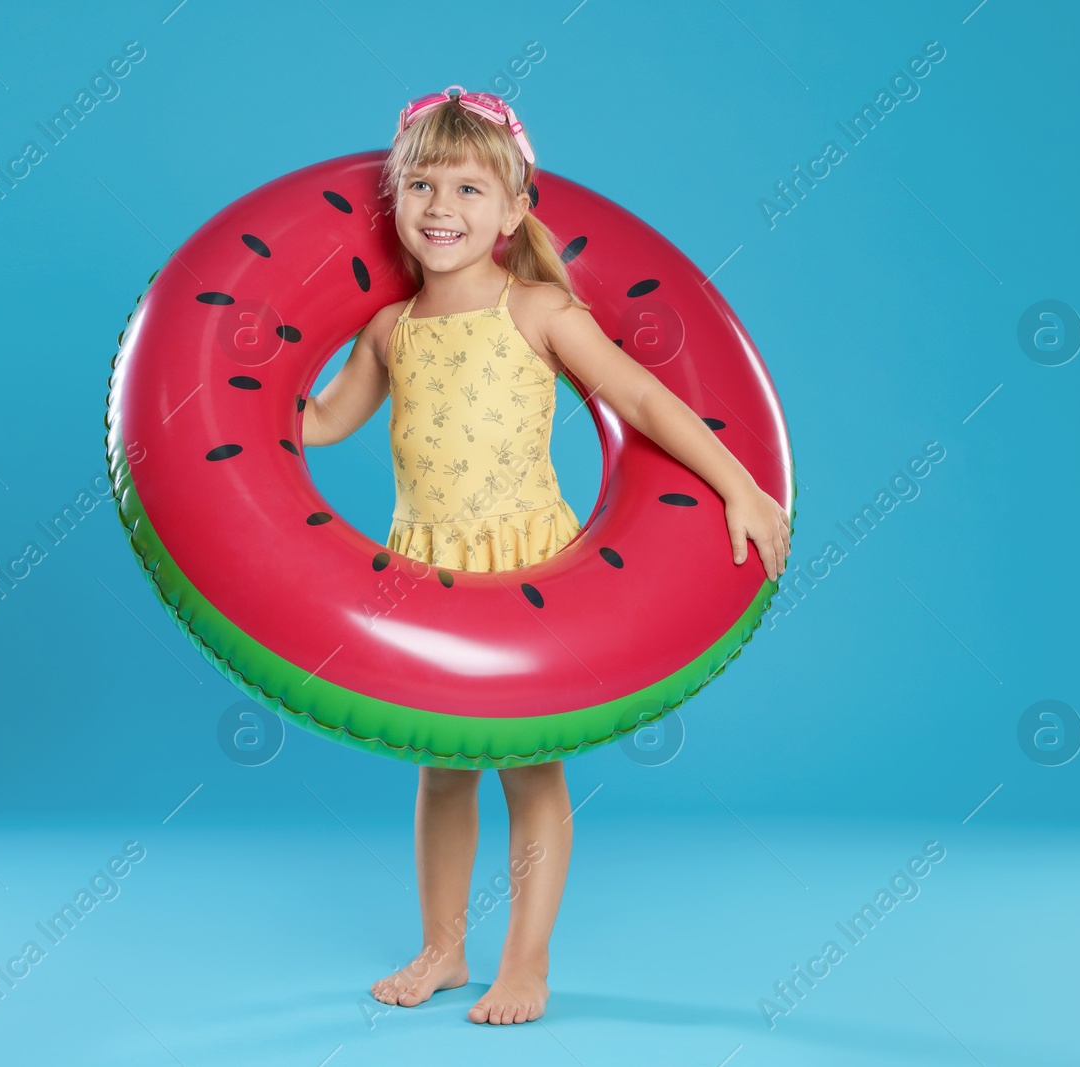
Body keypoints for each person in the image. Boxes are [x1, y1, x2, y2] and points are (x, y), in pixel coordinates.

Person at [300, 85, 792, 1025]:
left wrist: (738, 483)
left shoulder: (537, 310)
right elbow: (320, 421)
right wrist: (224, 392)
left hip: (529, 567)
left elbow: (642, 399)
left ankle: (524, 960)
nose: (441, 208)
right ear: (396, 202)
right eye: (420, 186)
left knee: (531, 768)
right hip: (426, 566)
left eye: (468, 189)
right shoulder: (389, 331)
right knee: (441, 767)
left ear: (515, 209)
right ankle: (444, 948)